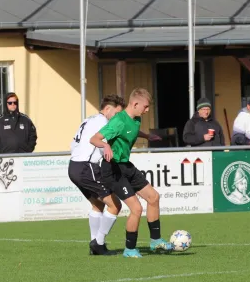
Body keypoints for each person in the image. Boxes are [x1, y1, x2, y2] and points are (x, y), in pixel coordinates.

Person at [90, 88, 173, 259]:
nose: (147, 110)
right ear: (135, 103)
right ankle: (129, 249)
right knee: (136, 208)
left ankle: (155, 241)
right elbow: (95, 138)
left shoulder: (136, 120)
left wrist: (147, 136)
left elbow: (131, 130)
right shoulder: (118, 121)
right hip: (112, 168)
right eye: (146, 107)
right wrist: (105, 146)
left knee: (153, 197)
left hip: (126, 166)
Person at [68, 94, 126, 256]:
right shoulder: (103, 122)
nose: (116, 118)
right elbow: (107, 143)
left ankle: (95, 244)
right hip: (87, 167)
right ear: (107, 109)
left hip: (74, 166)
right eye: (116, 113)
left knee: (98, 205)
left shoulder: (88, 120)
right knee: (115, 205)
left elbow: (73, 144)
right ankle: (98, 244)